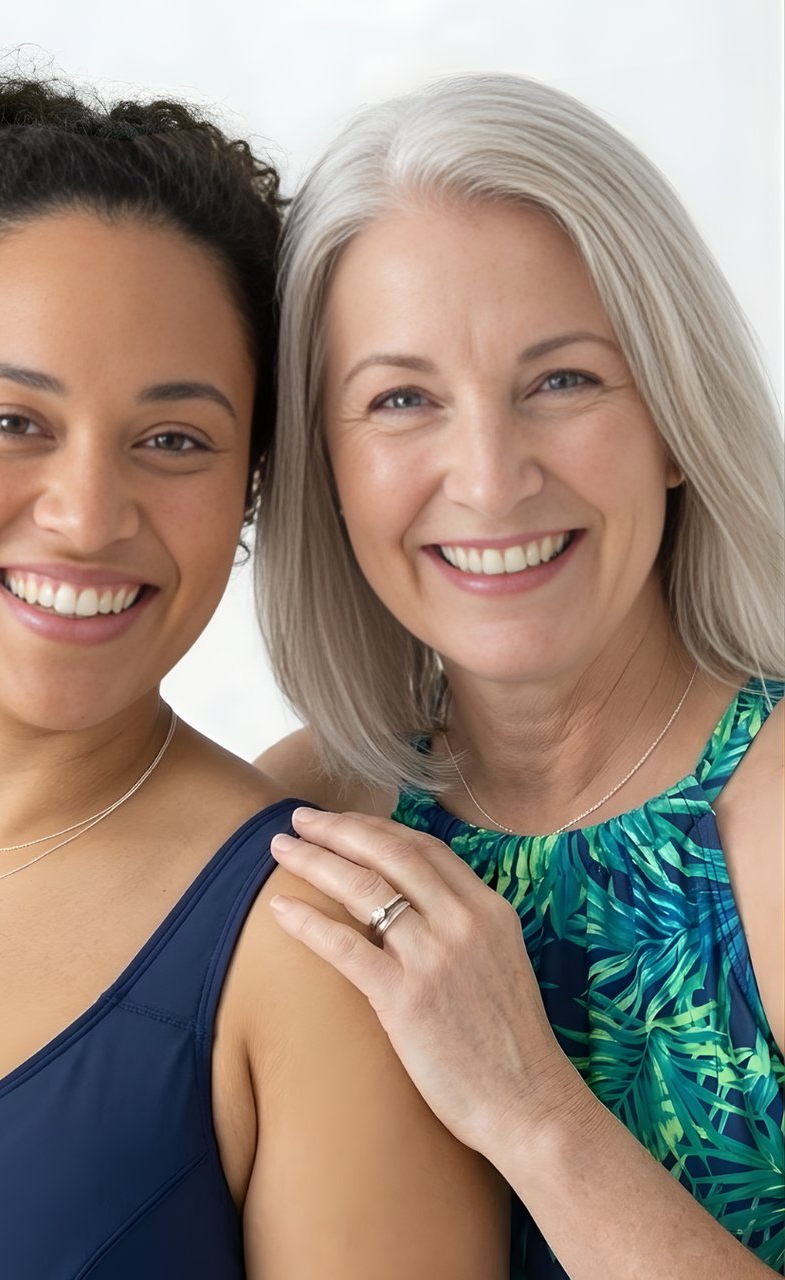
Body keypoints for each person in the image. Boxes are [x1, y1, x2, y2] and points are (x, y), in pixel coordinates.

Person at [0, 71, 507, 1278]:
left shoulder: (318, 959)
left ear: (250, 486)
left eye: (174, 440)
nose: (88, 512)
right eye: (13, 420)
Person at [254, 74, 784, 1277]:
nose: (490, 479)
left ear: (673, 419)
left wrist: (528, 1108)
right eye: (401, 399)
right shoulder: (312, 812)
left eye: (562, 379)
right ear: (325, 472)